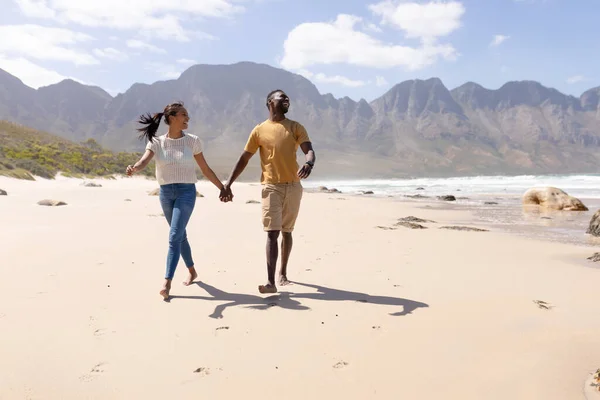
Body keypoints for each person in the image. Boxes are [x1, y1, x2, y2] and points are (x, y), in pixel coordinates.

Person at [126, 101, 232, 300]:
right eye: (184, 115)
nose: (188, 119)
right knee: (179, 235)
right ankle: (192, 270)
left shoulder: (192, 141)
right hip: (165, 193)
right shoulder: (156, 142)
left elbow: (205, 169)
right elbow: (144, 161)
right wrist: (134, 168)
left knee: (174, 235)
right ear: (172, 118)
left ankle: (167, 282)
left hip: (186, 192)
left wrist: (223, 188)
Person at [224, 90, 316, 294]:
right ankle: (270, 282)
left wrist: (309, 162)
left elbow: (308, 149)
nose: (286, 99)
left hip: (293, 186)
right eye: (281, 97)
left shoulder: (295, 127)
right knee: (272, 232)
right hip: (271, 186)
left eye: (287, 98)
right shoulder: (259, 130)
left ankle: (283, 272)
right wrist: (228, 183)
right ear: (270, 102)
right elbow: (244, 158)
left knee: (287, 231)